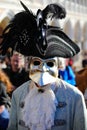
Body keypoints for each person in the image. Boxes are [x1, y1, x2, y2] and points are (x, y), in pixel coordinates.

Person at [0, 1, 87, 130]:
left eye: (50, 63)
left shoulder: (74, 97)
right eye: (37, 62)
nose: (43, 68)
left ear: (57, 66)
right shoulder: (19, 95)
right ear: (30, 64)